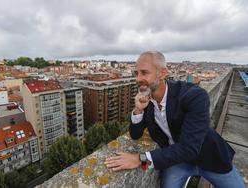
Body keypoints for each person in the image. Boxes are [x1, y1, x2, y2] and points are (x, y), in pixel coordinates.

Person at [104, 51, 245, 188]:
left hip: (210, 158)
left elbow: (190, 149)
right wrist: (138, 110)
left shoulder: (194, 96)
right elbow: (135, 135)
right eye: (137, 73)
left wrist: (139, 159)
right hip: (178, 161)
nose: (138, 78)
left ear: (163, 73)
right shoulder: (147, 100)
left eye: (144, 72)